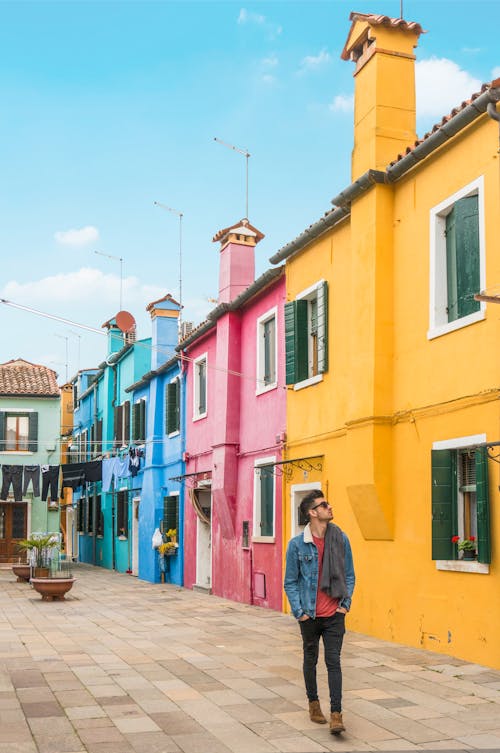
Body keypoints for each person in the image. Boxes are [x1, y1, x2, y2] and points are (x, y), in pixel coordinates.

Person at [284, 489, 355, 735]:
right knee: (310, 660)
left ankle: (337, 713)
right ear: (312, 513)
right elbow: (290, 581)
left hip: (335, 613)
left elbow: (349, 575)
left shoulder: (341, 539)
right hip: (310, 615)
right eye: (324, 505)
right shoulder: (296, 545)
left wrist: (345, 605)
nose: (330, 507)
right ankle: (314, 705)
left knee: (333, 662)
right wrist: (300, 611)